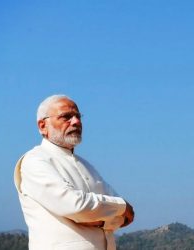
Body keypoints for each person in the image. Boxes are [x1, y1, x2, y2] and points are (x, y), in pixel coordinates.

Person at [14, 94, 134, 250]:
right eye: (66, 117)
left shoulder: (87, 166)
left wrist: (103, 221)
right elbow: (74, 205)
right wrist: (122, 206)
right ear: (43, 126)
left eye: (78, 116)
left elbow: (122, 218)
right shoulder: (34, 160)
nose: (76, 122)